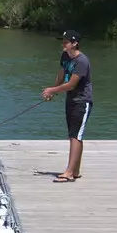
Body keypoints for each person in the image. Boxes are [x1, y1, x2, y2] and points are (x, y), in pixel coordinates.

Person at [41, 29, 92, 182]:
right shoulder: (65, 56)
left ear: (74, 43)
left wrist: (52, 90)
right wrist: (52, 92)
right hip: (71, 100)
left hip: (82, 101)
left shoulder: (82, 61)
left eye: (66, 42)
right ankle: (75, 170)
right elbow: (62, 75)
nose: (63, 44)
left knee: (76, 136)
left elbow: (71, 84)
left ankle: (69, 172)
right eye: (62, 42)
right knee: (73, 134)